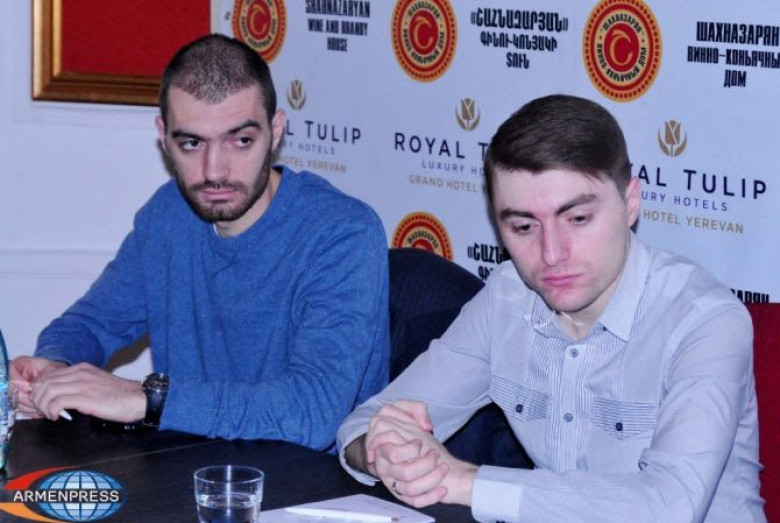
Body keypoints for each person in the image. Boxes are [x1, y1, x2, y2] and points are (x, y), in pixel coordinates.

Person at [337, 95, 765, 522]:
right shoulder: (506, 299)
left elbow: (668, 508)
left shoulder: (705, 320)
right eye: (524, 226)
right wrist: (383, 451)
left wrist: (466, 481)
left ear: (631, 202)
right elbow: (367, 422)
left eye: (578, 219)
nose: (552, 253)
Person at [11, 34, 390, 451]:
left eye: (240, 141)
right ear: (164, 136)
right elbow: (91, 324)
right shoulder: (168, 215)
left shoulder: (342, 233)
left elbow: (313, 413)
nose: (214, 171)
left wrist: (146, 398)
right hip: (186, 467)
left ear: (276, 130)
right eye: (192, 143)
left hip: (308, 483)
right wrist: (55, 367)